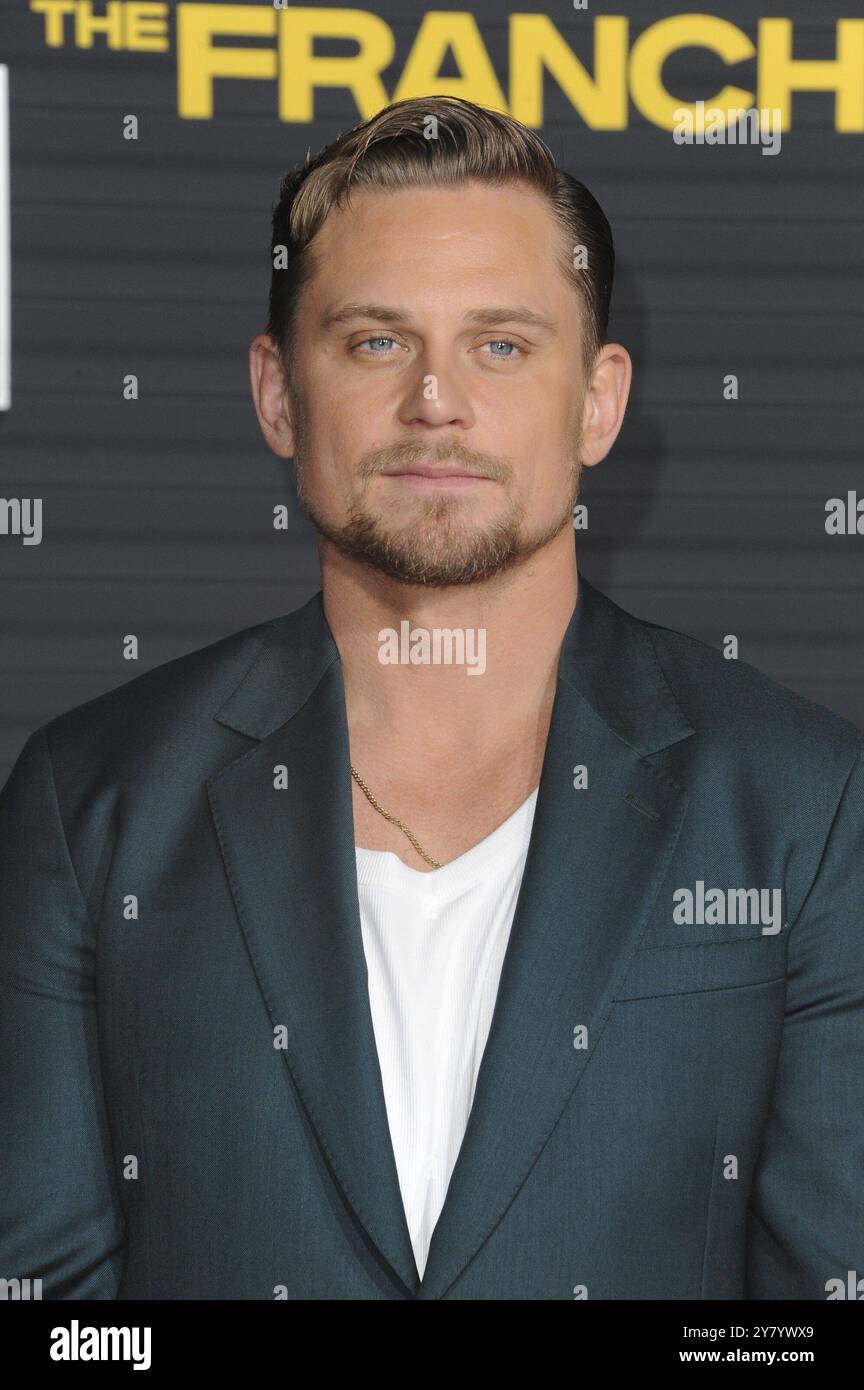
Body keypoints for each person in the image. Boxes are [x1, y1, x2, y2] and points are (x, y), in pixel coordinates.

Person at [0, 96, 862, 1301]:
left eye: (501, 344)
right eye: (374, 342)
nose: (436, 403)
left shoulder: (805, 803)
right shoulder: (89, 800)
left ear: (599, 400)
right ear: (277, 394)